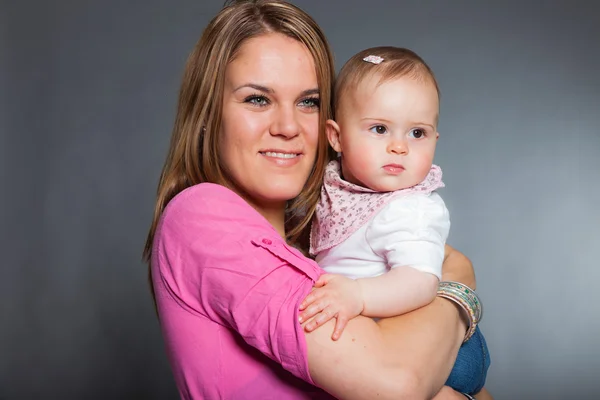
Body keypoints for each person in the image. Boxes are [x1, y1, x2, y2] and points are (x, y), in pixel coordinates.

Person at [143, 1, 491, 399]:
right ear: (208, 111)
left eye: (307, 101)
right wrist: (457, 285)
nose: (288, 127)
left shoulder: (328, 232)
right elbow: (398, 385)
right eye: (258, 99)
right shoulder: (203, 216)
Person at [299, 47, 490, 396]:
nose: (399, 147)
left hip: (446, 354)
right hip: (388, 342)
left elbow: (419, 282)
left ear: (435, 139)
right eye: (379, 129)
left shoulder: (410, 208)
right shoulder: (335, 189)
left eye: (417, 133)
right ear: (336, 137)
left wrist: (357, 294)